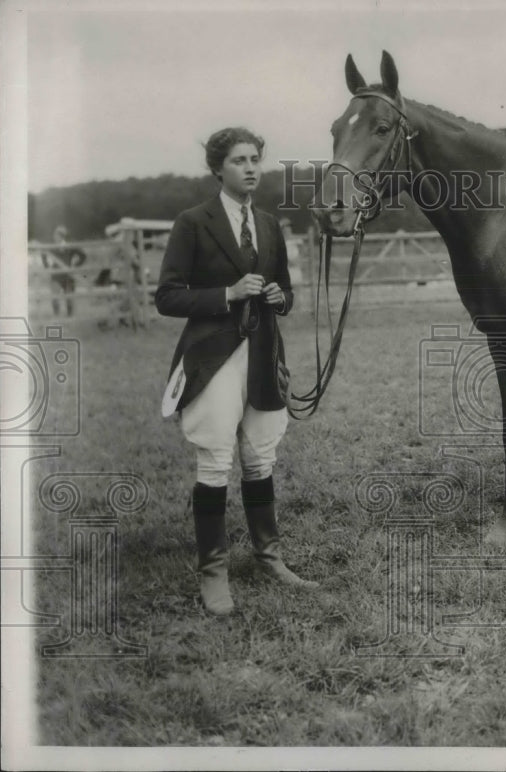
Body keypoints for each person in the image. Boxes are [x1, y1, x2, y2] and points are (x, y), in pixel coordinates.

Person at [155, 127, 316, 616]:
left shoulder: (269, 224)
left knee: (260, 456)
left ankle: (269, 557)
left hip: (263, 351)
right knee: (216, 457)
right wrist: (227, 293)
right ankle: (214, 573)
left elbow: (286, 291)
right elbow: (167, 296)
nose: (251, 169)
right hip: (213, 354)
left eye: (256, 160)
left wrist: (276, 297)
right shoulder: (193, 222)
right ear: (218, 169)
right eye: (240, 161)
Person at [42, 225, 86, 317]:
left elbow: (83, 255)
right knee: (54, 297)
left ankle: (69, 317)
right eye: (54, 235)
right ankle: (56, 316)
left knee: (69, 298)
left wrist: (75, 265)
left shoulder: (70, 246)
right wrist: (47, 266)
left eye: (56, 235)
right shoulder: (52, 246)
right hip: (56, 275)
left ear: (62, 236)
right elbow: (43, 253)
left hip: (68, 276)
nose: (54, 237)